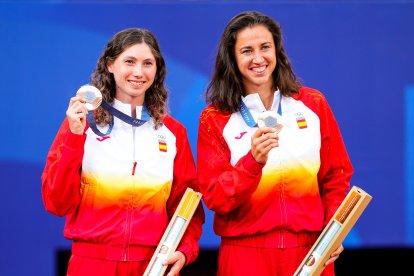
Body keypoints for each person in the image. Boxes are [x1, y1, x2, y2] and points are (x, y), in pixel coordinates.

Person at [196, 11, 353, 276]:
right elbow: (215, 198)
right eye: (247, 50)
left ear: (277, 51)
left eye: (265, 47)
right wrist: (252, 162)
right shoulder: (215, 117)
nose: (258, 58)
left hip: (311, 250)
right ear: (232, 58)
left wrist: (334, 230)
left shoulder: (313, 104)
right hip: (245, 253)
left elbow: (335, 177)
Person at [42, 28, 204, 276]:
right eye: (129, 61)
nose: (139, 72)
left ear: (157, 70)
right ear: (110, 64)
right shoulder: (82, 122)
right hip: (92, 264)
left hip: (151, 266)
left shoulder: (173, 133)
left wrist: (184, 250)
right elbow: (56, 203)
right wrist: (74, 137)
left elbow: (188, 208)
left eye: (148, 63)